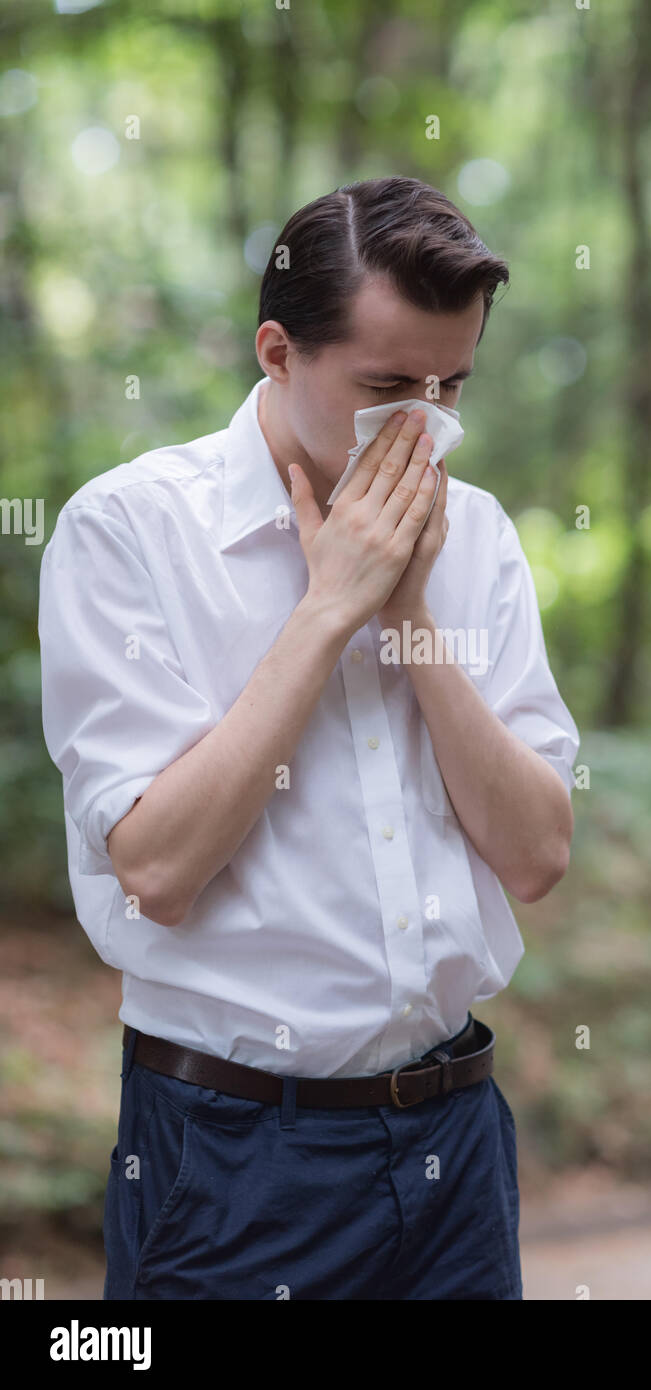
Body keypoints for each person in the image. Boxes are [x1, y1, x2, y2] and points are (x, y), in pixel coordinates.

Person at [38, 174, 580, 1301]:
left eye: (451, 386)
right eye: (386, 385)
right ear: (277, 352)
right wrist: (331, 605)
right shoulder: (128, 531)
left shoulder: (474, 534)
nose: (422, 424)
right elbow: (158, 867)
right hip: (233, 1158)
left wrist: (411, 614)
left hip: (457, 1143)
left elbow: (536, 855)